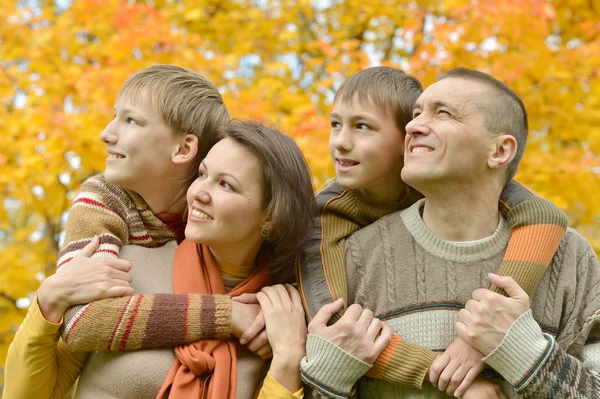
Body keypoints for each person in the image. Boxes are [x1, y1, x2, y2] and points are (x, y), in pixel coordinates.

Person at [3, 65, 313, 398]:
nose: (198, 192)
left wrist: (287, 363)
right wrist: (47, 301)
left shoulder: (282, 317)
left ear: (271, 217)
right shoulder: (126, 263)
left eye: (225, 184)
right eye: (203, 174)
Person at [300, 68, 600, 398]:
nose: (412, 126)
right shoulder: (350, 254)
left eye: (443, 113)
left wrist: (525, 352)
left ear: (499, 151)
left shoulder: (572, 259)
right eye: (415, 115)